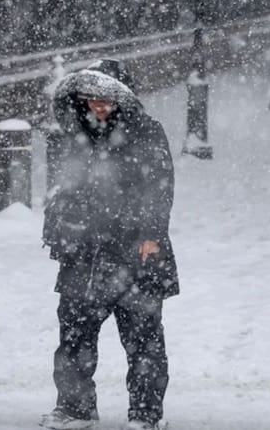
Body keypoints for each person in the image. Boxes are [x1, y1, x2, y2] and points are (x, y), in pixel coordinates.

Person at [40, 59, 179, 430]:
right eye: (91, 98)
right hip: (83, 254)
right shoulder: (71, 134)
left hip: (133, 253)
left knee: (143, 339)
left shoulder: (146, 131)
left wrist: (150, 234)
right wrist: (58, 231)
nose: (98, 105)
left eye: (106, 98)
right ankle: (75, 409)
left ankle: (145, 414)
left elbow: (159, 186)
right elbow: (61, 188)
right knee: (74, 338)